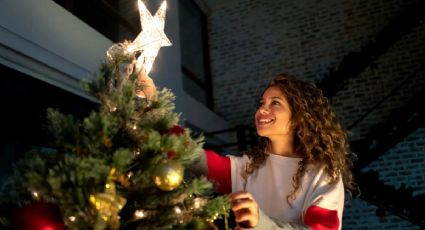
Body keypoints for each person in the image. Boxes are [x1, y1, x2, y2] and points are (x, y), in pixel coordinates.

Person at [139, 73, 355, 229]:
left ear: (300, 117)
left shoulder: (324, 174)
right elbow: (192, 155)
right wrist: (154, 105)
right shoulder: (248, 167)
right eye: (262, 103)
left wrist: (260, 222)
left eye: (275, 103)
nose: (262, 109)